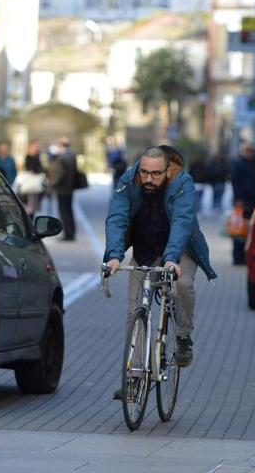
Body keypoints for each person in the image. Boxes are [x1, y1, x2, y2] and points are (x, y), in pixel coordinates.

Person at [104, 146, 218, 398]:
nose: (148, 179)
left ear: (167, 171)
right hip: (145, 248)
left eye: (155, 174)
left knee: (182, 285)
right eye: (144, 172)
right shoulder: (129, 181)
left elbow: (183, 220)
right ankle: (133, 375)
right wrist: (114, 254)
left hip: (180, 248)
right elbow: (116, 217)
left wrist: (171, 258)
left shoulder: (182, 183)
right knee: (135, 309)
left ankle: (183, 336)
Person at [229, 143, 255, 265]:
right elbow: (235, 182)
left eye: (251, 151)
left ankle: (246, 256)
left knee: (250, 230)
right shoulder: (239, 164)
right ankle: (238, 257)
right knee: (239, 229)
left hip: (254, 202)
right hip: (242, 202)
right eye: (247, 151)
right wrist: (238, 198)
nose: (250, 154)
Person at [48, 137, 77, 241]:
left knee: (64, 211)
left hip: (62, 188)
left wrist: (52, 184)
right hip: (69, 188)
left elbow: (60, 173)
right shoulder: (72, 155)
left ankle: (68, 234)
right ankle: (71, 232)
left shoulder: (62, 157)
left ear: (60, 145)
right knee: (68, 211)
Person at [16, 140, 46, 217]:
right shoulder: (28, 157)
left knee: (34, 205)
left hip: (35, 184)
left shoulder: (37, 156)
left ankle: (32, 219)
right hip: (31, 183)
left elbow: (40, 168)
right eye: (35, 146)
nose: (37, 148)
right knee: (30, 205)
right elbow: (30, 169)